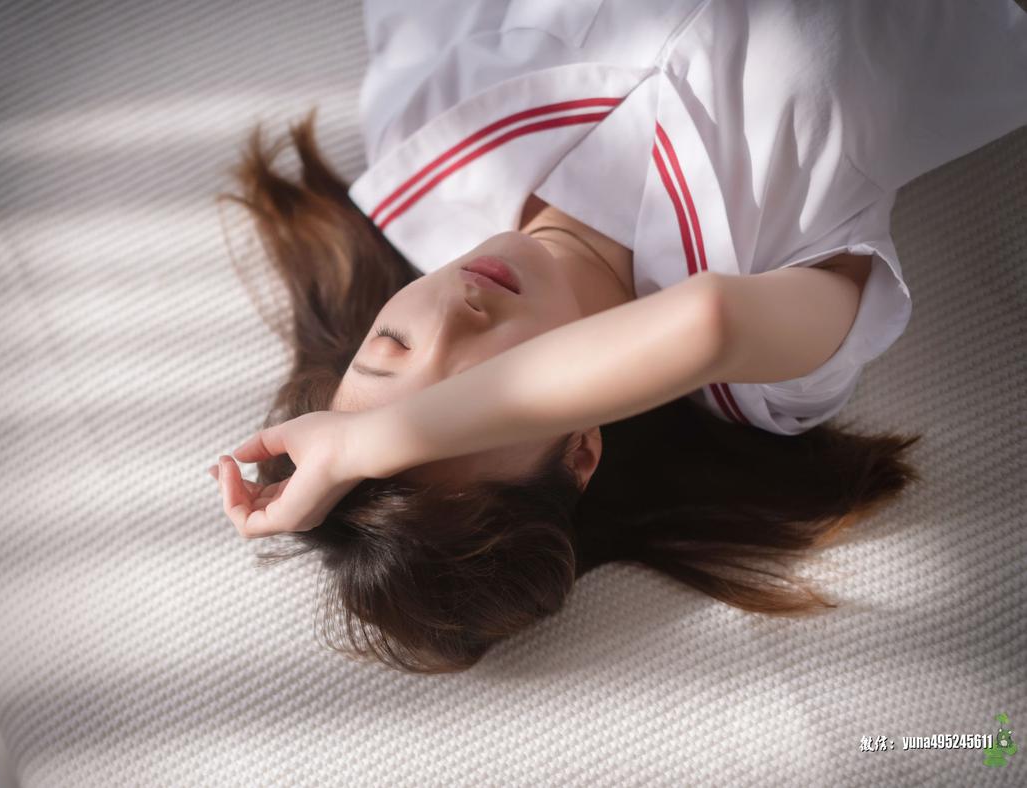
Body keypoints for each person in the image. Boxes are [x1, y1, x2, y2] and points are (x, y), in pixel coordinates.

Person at [209, 0, 1027, 673]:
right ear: (580, 449)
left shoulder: (422, 131)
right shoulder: (762, 370)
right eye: (469, 397)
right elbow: (707, 324)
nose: (454, 317)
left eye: (391, 343)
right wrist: (370, 442)